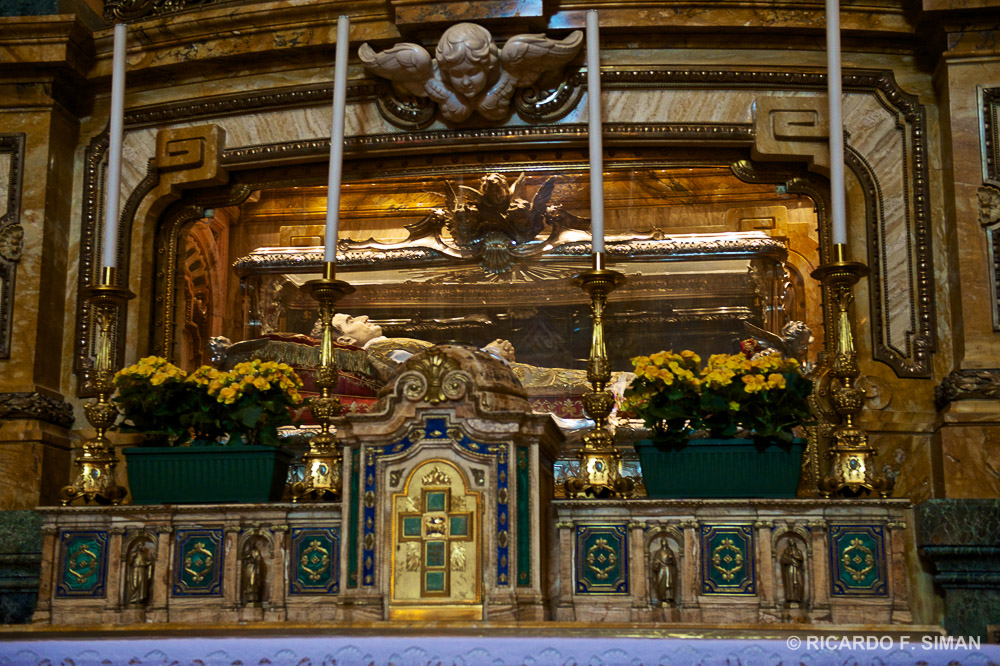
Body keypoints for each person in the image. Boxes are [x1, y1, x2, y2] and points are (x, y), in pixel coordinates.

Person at [650, 537, 677, 607]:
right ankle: (662, 597)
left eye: (665, 541)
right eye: (662, 541)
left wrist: (671, 558)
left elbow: (674, 562)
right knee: (660, 583)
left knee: (669, 584)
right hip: (661, 570)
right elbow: (656, 560)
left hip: (668, 569)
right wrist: (656, 564)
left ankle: (669, 598)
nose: (664, 542)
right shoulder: (658, 552)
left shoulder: (670, 551)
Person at [780, 539, 806, 605]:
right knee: (790, 583)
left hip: (797, 569)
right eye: (790, 541)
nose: (791, 542)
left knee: (799, 582)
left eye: (792, 541)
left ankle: (799, 598)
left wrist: (794, 556)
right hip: (790, 569)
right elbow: (783, 559)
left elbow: (801, 558)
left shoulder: (798, 551)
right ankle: (791, 598)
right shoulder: (786, 551)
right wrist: (790, 560)